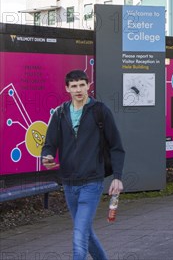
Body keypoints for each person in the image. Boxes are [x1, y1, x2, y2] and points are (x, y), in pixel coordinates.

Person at [42, 70, 125, 260]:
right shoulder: (60, 113)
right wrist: (46, 156)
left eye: (81, 85)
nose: (78, 90)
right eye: (73, 86)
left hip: (92, 183)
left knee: (79, 236)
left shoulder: (100, 111)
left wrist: (117, 177)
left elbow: (116, 146)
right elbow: (49, 144)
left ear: (88, 85)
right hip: (69, 184)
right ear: (67, 89)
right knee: (85, 233)